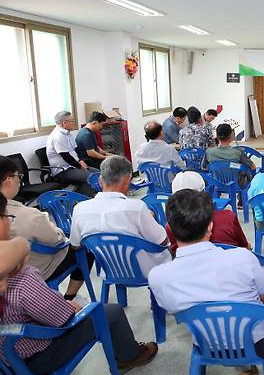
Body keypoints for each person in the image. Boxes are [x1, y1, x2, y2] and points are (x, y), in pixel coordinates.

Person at [0, 193, 159, 373]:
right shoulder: (22, 279)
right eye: (8, 217)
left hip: (6, 361)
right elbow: (62, 319)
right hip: (35, 357)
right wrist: (70, 307)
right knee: (111, 312)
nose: (9, 222)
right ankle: (130, 357)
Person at [149, 189, 264, 375]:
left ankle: (245, 370)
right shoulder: (241, 257)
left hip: (207, 344)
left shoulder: (158, 276)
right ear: (210, 227)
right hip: (257, 343)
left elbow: (172, 310)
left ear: (169, 228)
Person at [0, 156, 95, 300]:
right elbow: (57, 240)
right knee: (85, 248)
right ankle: (69, 297)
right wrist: (51, 225)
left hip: (10, 275)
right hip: (35, 269)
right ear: (8, 180)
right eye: (18, 176)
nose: (19, 180)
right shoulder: (28, 216)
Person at [70, 156, 171, 278]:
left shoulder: (80, 208)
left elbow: (75, 245)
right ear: (128, 180)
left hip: (108, 270)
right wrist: (149, 217)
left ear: (100, 180)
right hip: (143, 270)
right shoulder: (137, 208)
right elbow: (162, 241)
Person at [164, 171, 250, 254]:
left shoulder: (170, 226)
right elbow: (243, 245)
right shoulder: (228, 217)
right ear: (203, 193)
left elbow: (176, 251)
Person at [46, 111, 97, 197]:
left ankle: (84, 195)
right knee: (91, 177)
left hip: (73, 166)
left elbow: (76, 149)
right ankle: (82, 200)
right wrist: (80, 166)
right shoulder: (58, 136)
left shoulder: (67, 134)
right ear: (64, 123)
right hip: (63, 170)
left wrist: (81, 161)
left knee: (97, 173)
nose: (74, 123)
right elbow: (66, 156)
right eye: (72, 121)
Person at [205, 124, 257, 207]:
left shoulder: (209, 152)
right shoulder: (238, 152)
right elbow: (252, 167)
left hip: (217, 183)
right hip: (238, 184)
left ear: (217, 137)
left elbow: (204, 167)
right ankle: (241, 200)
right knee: (243, 174)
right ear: (231, 136)